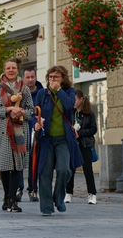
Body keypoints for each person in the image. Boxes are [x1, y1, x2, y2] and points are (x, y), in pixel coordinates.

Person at [33, 66, 83, 216]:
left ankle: (59, 198)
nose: (53, 80)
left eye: (56, 77)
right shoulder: (42, 94)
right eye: (50, 77)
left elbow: (69, 105)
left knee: (64, 170)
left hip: (63, 139)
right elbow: (35, 113)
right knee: (45, 172)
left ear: (63, 79)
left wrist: (59, 90)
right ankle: (47, 207)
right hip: (46, 139)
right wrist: (36, 123)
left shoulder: (69, 92)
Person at [0, 58, 33, 213]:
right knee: (5, 165)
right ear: (4, 70)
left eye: (13, 67)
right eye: (8, 68)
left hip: (19, 131)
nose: (11, 70)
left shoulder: (24, 88)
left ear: (17, 69)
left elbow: (30, 110)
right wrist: (8, 110)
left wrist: (21, 111)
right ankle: (7, 196)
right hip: (3, 131)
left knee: (16, 166)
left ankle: (13, 200)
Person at [66, 89, 98, 205]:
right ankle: (68, 193)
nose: (73, 102)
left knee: (88, 169)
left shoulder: (89, 114)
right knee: (70, 169)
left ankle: (92, 194)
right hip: (73, 144)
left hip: (85, 144)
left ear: (81, 99)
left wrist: (80, 133)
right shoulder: (70, 112)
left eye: (74, 100)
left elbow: (94, 129)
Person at [23, 67, 43, 202]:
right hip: (21, 131)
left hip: (37, 133)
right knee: (18, 163)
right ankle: (19, 189)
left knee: (34, 162)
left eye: (32, 77)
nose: (30, 80)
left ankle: (33, 189)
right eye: (27, 77)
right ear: (23, 79)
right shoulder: (19, 94)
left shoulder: (42, 93)